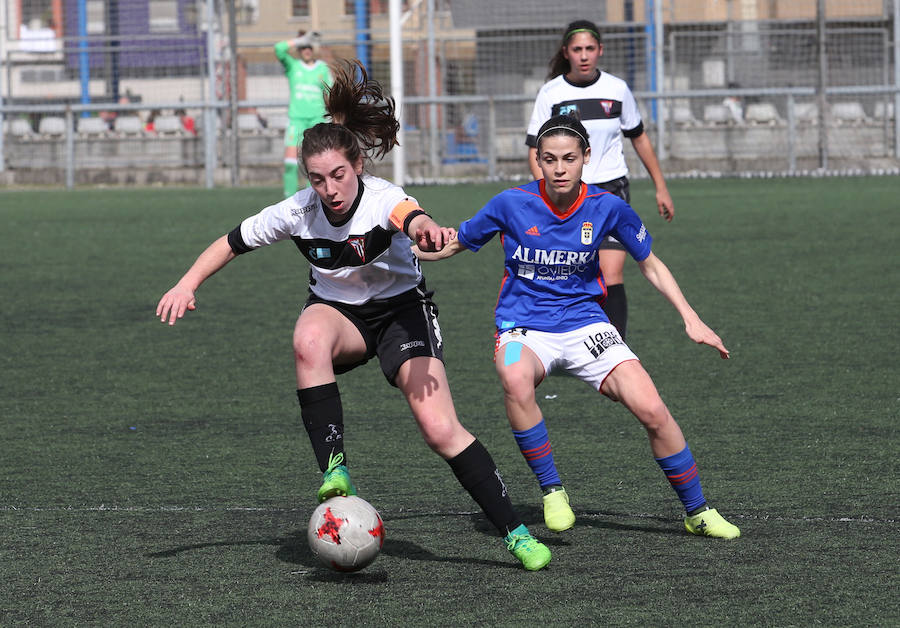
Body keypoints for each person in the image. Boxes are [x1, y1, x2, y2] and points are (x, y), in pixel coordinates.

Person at [155, 60, 551, 571]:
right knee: (307, 337)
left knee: (439, 429)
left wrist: (426, 230)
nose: (330, 188)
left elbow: (412, 216)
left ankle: (514, 533)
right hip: (340, 314)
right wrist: (187, 283)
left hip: (402, 314)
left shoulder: (382, 198)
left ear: (357, 166)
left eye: (338, 175)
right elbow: (231, 242)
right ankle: (335, 469)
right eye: (318, 179)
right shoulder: (297, 211)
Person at [417, 115, 740, 539]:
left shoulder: (608, 206)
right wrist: (401, 251)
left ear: (586, 157)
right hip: (524, 327)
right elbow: (455, 243)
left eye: (569, 158)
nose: (559, 168)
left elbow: (650, 264)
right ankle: (552, 490)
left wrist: (691, 318)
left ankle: (697, 511)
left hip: (586, 324)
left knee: (653, 410)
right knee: (514, 376)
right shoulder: (510, 203)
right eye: (549, 159)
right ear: (538, 161)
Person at [526, 19, 674, 340]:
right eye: (577, 49)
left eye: (589, 49)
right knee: (571, 272)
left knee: (611, 273)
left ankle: (614, 346)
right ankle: (567, 336)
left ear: (600, 51)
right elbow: (535, 150)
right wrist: (545, 194)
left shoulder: (617, 89)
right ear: (566, 52)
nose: (583, 56)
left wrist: (661, 187)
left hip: (611, 192)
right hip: (567, 194)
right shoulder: (551, 93)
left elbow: (639, 137)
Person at [275, 30, 333, 198]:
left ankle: (313, 200)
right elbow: (278, 49)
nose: (306, 50)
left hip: (317, 121)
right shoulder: (293, 66)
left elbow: (332, 93)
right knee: (291, 164)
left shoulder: (322, 68)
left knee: (314, 165)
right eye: (303, 47)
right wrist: (299, 39)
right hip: (296, 121)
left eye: (309, 46)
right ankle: (289, 202)